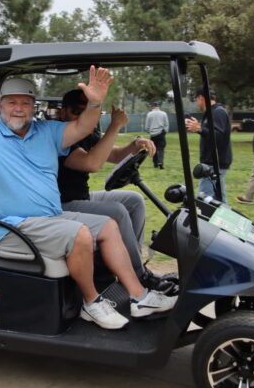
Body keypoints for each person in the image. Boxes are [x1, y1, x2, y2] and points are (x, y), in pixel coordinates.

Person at [0, 55, 176, 330]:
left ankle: (139, 297)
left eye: (25, 103)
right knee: (80, 235)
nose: (18, 109)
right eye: (12, 102)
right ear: (0, 105)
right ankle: (92, 301)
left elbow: (82, 127)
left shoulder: (47, 132)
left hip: (49, 218)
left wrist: (95, 102)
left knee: (109, 226)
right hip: (11, 227)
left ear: (33, 107)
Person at [57, 89, 176, 293]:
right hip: (61, 204)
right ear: (62, 112)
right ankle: (139, 277)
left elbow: (112, 154)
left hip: (80, 197)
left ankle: (131, 263)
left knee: (133, 200)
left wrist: (135, 145)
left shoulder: (86, 132)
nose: (84, 117)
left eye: (90, 112)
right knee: (117, 211)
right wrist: (114, 126)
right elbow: (91, 163)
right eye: (78, 111)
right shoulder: (61, 136)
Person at [185, 87, 232, 203]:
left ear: (201, 98)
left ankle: (211, 220)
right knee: (219, 198)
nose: (197, 103)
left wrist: (200, 129)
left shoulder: (218, 112)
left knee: (204, 198)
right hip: (211, 163)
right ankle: (225, 219)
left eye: (197, 100)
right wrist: (199, 128)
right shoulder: (211, 113)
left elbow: (218, 136)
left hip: (214, 164)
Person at [144, 101, 168, 169]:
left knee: (153, 148)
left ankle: (155, 163)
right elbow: (166, 124)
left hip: (153, 134)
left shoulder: (149, 114)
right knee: (161, 148)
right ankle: (160, 162)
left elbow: (147, 126)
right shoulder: (164, 114)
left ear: (152, 106)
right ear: (158, 106)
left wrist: (148, 131)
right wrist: (165, 131)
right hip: (161, 133)